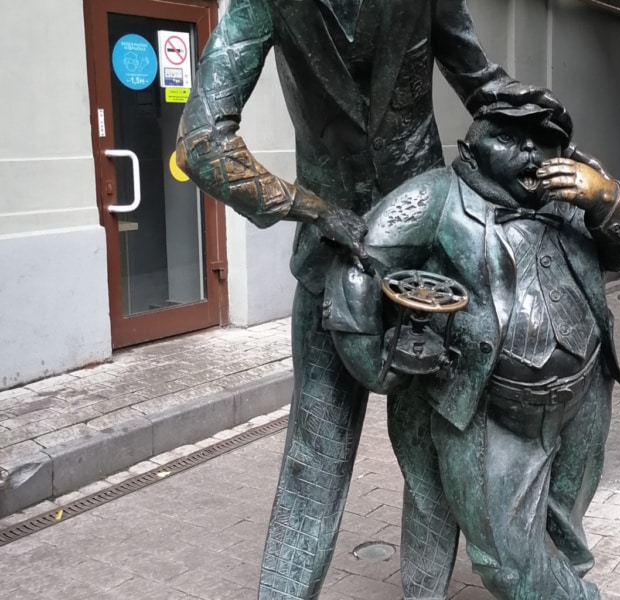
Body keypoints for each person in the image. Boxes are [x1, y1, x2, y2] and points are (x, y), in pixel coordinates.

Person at [175, 1, 573, 598]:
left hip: (427, 266)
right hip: (327, 261)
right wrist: (312, 207)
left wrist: (547, 136)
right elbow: (202, 144)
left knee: (428, 462)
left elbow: (483, 85)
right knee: (315, 457)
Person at [324, 103, 620, 599]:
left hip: (583, 395)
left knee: (562, 528)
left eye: (542, 140)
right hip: (488, 409)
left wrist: (607, 195)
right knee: (504, 564)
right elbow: (356, 264)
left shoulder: (572, 192)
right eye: (509, 138)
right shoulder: (438, 195)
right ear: (471, 151)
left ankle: (558, 584)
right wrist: (378, 366)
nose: (530, 150)